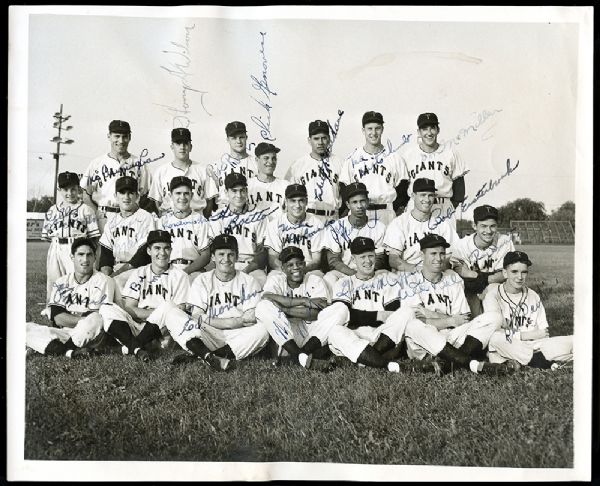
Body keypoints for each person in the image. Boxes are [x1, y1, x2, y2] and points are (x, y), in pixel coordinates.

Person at [397, 233, 517, 375]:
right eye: (433, 253)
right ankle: (473, 364)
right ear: (422, 256)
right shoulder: (410, 281)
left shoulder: (452, 277)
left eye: (442, 254)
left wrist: (433, 316)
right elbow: (418, 320)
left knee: (494, 317)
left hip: (452, 336)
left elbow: (463, 319)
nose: (439, 258)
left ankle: (446, 364)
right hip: (424, 342)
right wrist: (450, 320)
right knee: (413, 326)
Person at [326, 237, 436, 373]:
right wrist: (378, 315)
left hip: (382, 336)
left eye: (371, 256)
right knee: (334, 331)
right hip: (354, 335)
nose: (368, 261)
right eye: (362, 257)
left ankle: (366, 359)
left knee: (407, 312)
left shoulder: (387, 278)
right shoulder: (343, 283)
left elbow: (392, 313)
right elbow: (345, 315)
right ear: (353, 259)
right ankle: (384, 363)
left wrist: (364, 316)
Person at [170, 234, 269, 367]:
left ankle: (205, 356)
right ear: (212, 257)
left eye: (231, 254)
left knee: (263, 330)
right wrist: (233, 321)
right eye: (221, 254)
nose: (226, 259)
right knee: (173, 313)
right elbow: (196, 316)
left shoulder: (249, 281)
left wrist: (210, 320)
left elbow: (250, 319)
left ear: (237, 256)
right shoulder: (202, 279)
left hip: (238, 334)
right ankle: (212, 355)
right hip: (210, 333)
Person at [99, 230, 191, 362]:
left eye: (166, 248)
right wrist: (156, 313)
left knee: (169, 307)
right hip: (138, 325)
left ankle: (131, 346)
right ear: (149, 251)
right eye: (157, 248)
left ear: (171, 251)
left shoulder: (180, 276)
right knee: (107, 308)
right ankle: (138, 347)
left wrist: (159, 314)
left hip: (162, 331)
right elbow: (129, 307)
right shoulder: (139, 273)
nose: (162, 253)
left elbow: (178, 311)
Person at [27, 238, 115, 358]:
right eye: (80, 254)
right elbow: (57, 317)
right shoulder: (61, 281)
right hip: (65, 332)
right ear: (72, 257)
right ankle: (70, 352)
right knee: (25, 328)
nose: (85, 259)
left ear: (95, 258)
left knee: (94, 319)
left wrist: (70, 318)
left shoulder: (104, 281)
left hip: (90, 334)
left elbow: (93, 318)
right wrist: (78, 318)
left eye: (89, 255)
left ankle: (53, 348)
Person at [484, 251, 573, 369]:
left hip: (536, 347)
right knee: (496, 338)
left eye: (524, 272)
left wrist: (530, 338)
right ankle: (543, 363)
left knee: (577, 340)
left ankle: (528, 363)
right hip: (508, 348)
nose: (520, 277)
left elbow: (544, 333)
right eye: (514, 272)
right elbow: (494, 334)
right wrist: (526, 335)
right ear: (505, 273)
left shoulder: (533, 295)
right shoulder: (493, 296)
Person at [255, 246, 338, 370]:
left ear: (304, 264)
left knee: (339, 310)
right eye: (290, 265)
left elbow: (316, 313)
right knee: (263, 306)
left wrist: (283, 309)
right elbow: (267, 297)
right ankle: (301, 356)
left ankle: (296, 357)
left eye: (299, 263)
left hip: (310, 331)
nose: (295, 268)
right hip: (286, 332)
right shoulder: (276, 280)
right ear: (282, 268)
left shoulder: (314, 280)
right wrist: (305, 301)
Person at [80, 120, 151, 233]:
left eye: (125, 136)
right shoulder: (96, 163)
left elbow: (145, 195)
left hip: (131, 216)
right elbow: (86, 195)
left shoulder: (140, 164)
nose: (121, 141)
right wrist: (96, 213)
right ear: (109, 136)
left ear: (130, 137)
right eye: (116, 136)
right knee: (103, 250)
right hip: (104, 216)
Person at [339, 111, 408, 226]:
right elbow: (344, 187)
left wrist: (392, 207)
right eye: (369, 129)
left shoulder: (394, 157)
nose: (374, 133)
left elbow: (403, 187)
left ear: (382, 129)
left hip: (386, 212)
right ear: (363, 130)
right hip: (360, 213)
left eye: (377, 128)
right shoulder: (353, 158)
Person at [41, 171, 100, 305]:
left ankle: (76, 310)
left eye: (73, 189)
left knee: (77, 280)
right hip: (56, 247)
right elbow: (48, 236)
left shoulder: (86, 209)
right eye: (65, 189)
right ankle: (54, 310)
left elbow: (93, 238)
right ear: (59, 190)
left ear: (79, 189)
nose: (70, 193)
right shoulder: (52, 210)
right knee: (54, 280)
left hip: (76, 247)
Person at [399, 113, 467, 228]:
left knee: (446, 245)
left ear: (438, 130)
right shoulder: (408, 155)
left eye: (432, 128)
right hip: (416, 208)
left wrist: (448, 206)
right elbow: (402, 188)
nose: (429, 133)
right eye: (424, 129)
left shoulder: (450, 153)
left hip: (443, 206)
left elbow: (459, 189)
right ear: (419, 132)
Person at [321, 182, 387, 294]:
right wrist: (354, 275)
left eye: (362, 201)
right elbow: (333, 261)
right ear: (347, 204)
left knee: (386, 275)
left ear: (368, 202)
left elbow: (380, 258)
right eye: (354, 202)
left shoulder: (379, 227)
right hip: (345, 273)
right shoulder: (335, 227)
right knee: (329, 278)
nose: (359, 206)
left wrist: (365, 273)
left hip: (370, 271)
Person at [450, 205, 515, 316]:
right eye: (483, 226)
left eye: (492, 226)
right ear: (474, 226)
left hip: (495, 287)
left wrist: (477, 277)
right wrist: (484, 278)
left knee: (492, 290)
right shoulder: (462, 245)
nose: (488, 231)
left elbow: (507, 274)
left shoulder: (504, 241)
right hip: (470, 289)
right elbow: (457, 270)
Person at [383, 178, 458, 273]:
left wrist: (432, 271)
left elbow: (448, 257)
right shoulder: (399, 223)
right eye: (423, 195)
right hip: (408, 272)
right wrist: (418, 270)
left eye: (430, 195)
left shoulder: (443, 224)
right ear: (413, 196)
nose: (427, 199)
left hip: (435, 273)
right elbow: (393, 260)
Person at [209, 173, 269, 287]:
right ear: (226, 192)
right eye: (234, 191)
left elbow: (263, 252)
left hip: (250, 266)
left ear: (247, 192)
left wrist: (247, 270)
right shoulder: (217, 217)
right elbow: (213, 252)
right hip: (224, 264)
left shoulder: (259, 216)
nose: (239, 195)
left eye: (242, 190)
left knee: (261, 280)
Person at [98, 176, 156, 290]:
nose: (126, 197)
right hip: (116, 269)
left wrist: (115, 275)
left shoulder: (145, 217)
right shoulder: (112, 221)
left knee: (116, 285)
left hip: (137, 269)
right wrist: (106, 275)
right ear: (115, 196)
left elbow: (143, 255)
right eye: (122, 192)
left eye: (130, 193)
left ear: (137, 196)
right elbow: (106, 254)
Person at [147, 128, 218, 219]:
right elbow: (156, 201)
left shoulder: (203, 170)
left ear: (190, 146)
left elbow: (210, 201)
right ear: (172, 146)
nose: (182, 147)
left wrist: (202, 219)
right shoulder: (161, 171)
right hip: (169, 219)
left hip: (196, 218)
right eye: (178, 143)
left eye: (185, 143)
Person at [285, 120, 343, 225]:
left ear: (329, 139)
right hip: (308, 217)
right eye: (316, 138)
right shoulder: (298, 165)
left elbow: (347, 196)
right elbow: (289, 196)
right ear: (309, 140)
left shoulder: (340, 163)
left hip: (333, 217)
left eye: (324, 138)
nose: (320, 142)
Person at [265, 183, 327, 276]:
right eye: (293, 201)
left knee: (319, 279)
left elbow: (316, 260)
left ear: (306, 201)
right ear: (286, 202)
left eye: (301, 200)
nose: (297, 205)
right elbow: (273, 259)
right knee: (272, 279)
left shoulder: (317, 224)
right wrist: (289, 272)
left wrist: (301, 271)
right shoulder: (275, 224)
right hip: (282, 270)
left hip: (308, 270)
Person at [207, 121, 259, 209]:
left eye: (241, 137)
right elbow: (211, 201)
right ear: (227, 139)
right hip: (224, 213)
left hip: (251, 212)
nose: (238, 141)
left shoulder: (257, 163)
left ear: (246, 137)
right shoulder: (216, 166)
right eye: (234, 138)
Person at [246, 142, 288, 219]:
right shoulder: (247, 185)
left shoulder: (285, 186)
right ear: (256, 160)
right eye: (266, 158)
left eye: (273, 158)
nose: (271, 162)